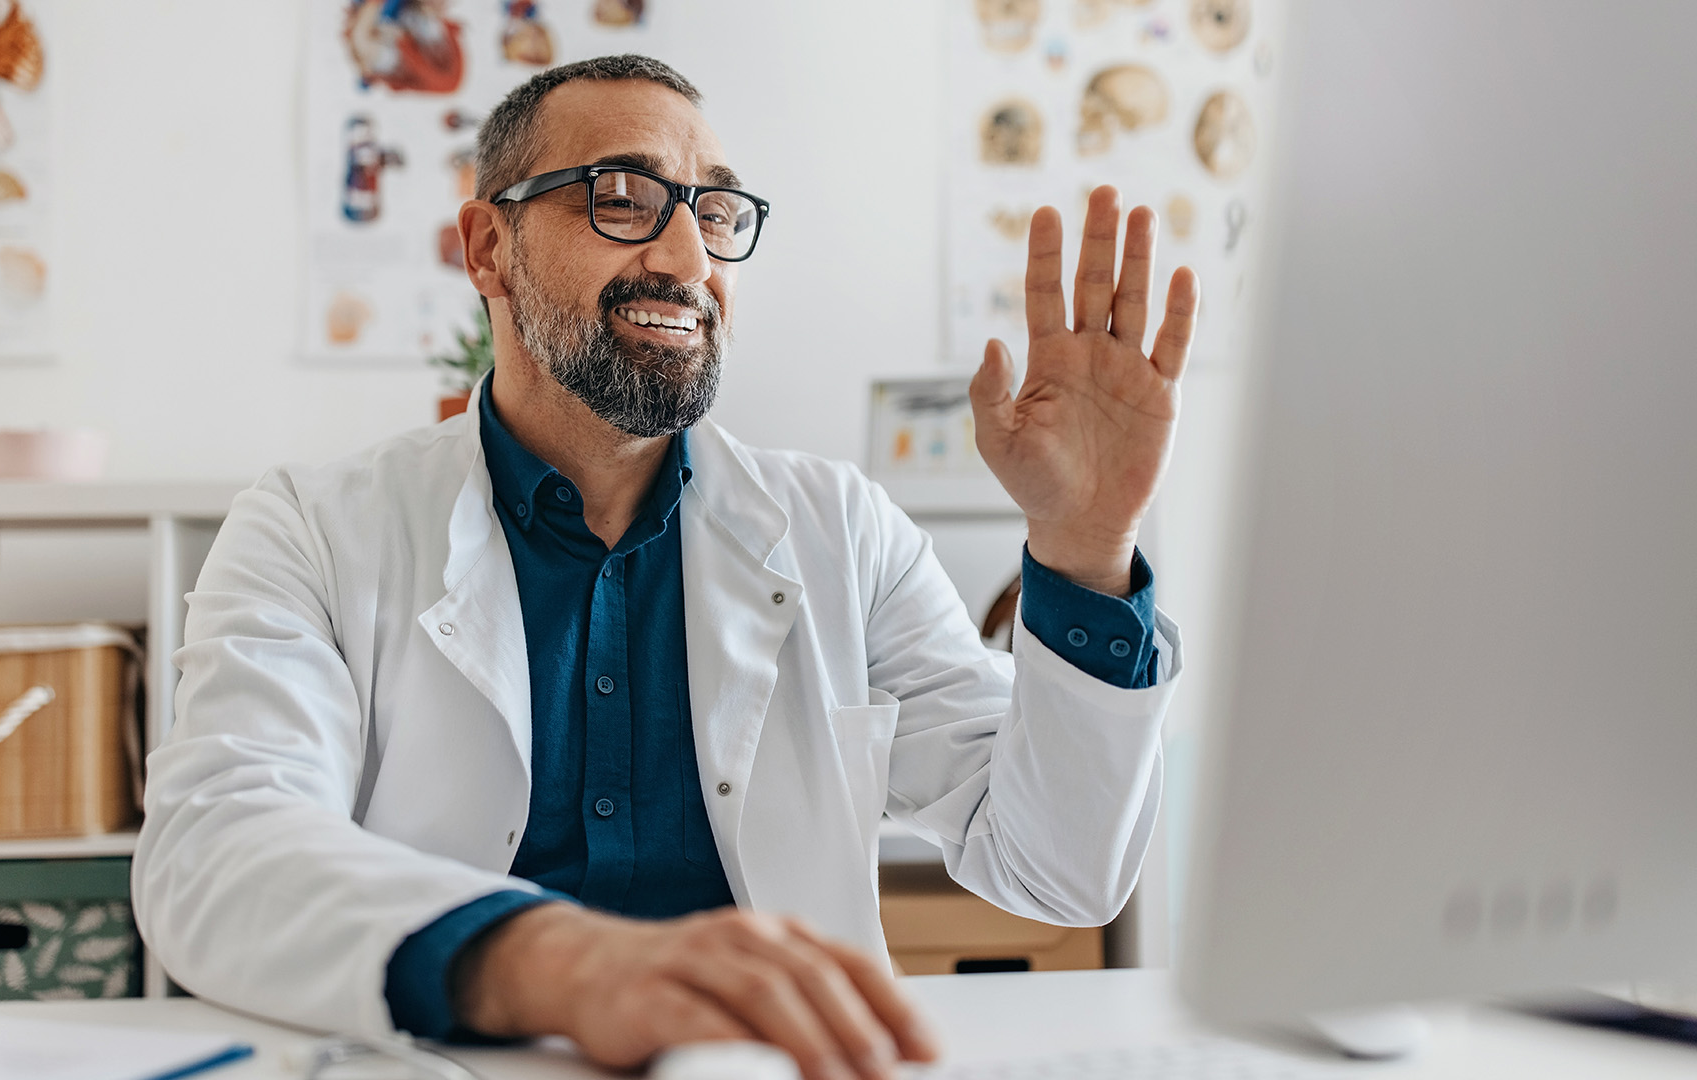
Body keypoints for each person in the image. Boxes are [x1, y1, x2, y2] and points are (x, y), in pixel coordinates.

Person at [134, 54, 1198, 1080]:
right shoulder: (313, 529)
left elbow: (1060, 868)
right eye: (624, 196)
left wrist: (1085, 546)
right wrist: (556, 964)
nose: (689, 262)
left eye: (716, 214)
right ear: (488, 248)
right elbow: (214, 850)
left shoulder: (841, 531)